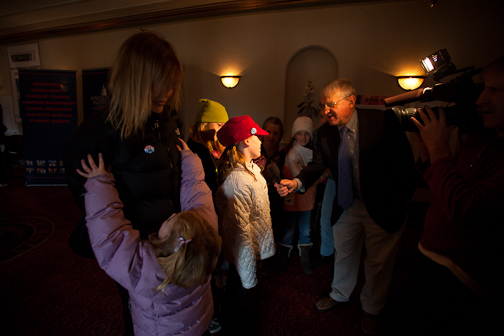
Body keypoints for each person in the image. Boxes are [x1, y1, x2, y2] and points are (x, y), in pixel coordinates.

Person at [63, 31, 183, 336]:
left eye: (170, 82)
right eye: (159, 82)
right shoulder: (97, 133)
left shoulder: (166, 120)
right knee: (143, 317)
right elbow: (92, 204)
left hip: (170, 241)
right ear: (135, 79)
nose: (167, 91)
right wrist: (134, 242)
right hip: (136, 251)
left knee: (173, 311)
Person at [275, 78, 415, 335]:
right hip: (348, 204)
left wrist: (403, 198)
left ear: (350, 102)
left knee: (378, 262)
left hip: (382, 205)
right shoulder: (324, 133)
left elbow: (405, 162)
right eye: (322, 105)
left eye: (330, 104)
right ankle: (339, 294)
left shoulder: (382, 122)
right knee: (345, 252)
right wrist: (296, 182)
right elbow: (317, 166)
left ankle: (371, 309)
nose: (325, 110)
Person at [396, 56, 504, 336]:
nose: (482, 99)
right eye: (484, 88)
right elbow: (446, 187)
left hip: (462, 274)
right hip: (430, 251)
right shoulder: (483, 139)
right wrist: (428, 153)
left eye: (494, 90)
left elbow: (463, 207)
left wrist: (440, 151)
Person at [77, 140, 221, 336]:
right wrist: (190, 161)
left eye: (170, 221)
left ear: (166, 243)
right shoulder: (206, 240)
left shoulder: (144, 271)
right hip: (197, 325)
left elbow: (111, 236)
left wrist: (99, 182)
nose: (170, 215)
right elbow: (199, 197)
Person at [215, 115, 275, 334]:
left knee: (241, 297)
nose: (261, 141)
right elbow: (239, 234)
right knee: (239, 301)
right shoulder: (238, 181)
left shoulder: (252, 171)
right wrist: (249, 277)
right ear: (246, 140)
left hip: (248, 257)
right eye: (257, 136)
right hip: (243, 258)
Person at [276, 116, 317, 275]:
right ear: (294, 135)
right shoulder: (293, 154)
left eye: (306, 133)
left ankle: (305, 257)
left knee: (305, 229)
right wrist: (319, 176)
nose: (303, 137)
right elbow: (302, 177)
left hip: (307, 199)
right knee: (289, 229)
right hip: (293, 200)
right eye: (299, 133)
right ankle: (283, 258)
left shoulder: (312, 152)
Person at [188, 99, 228, 195]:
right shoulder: (197, 150)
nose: (221, 130)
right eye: (219, 125)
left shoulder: (213, 147)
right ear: (204, 123)